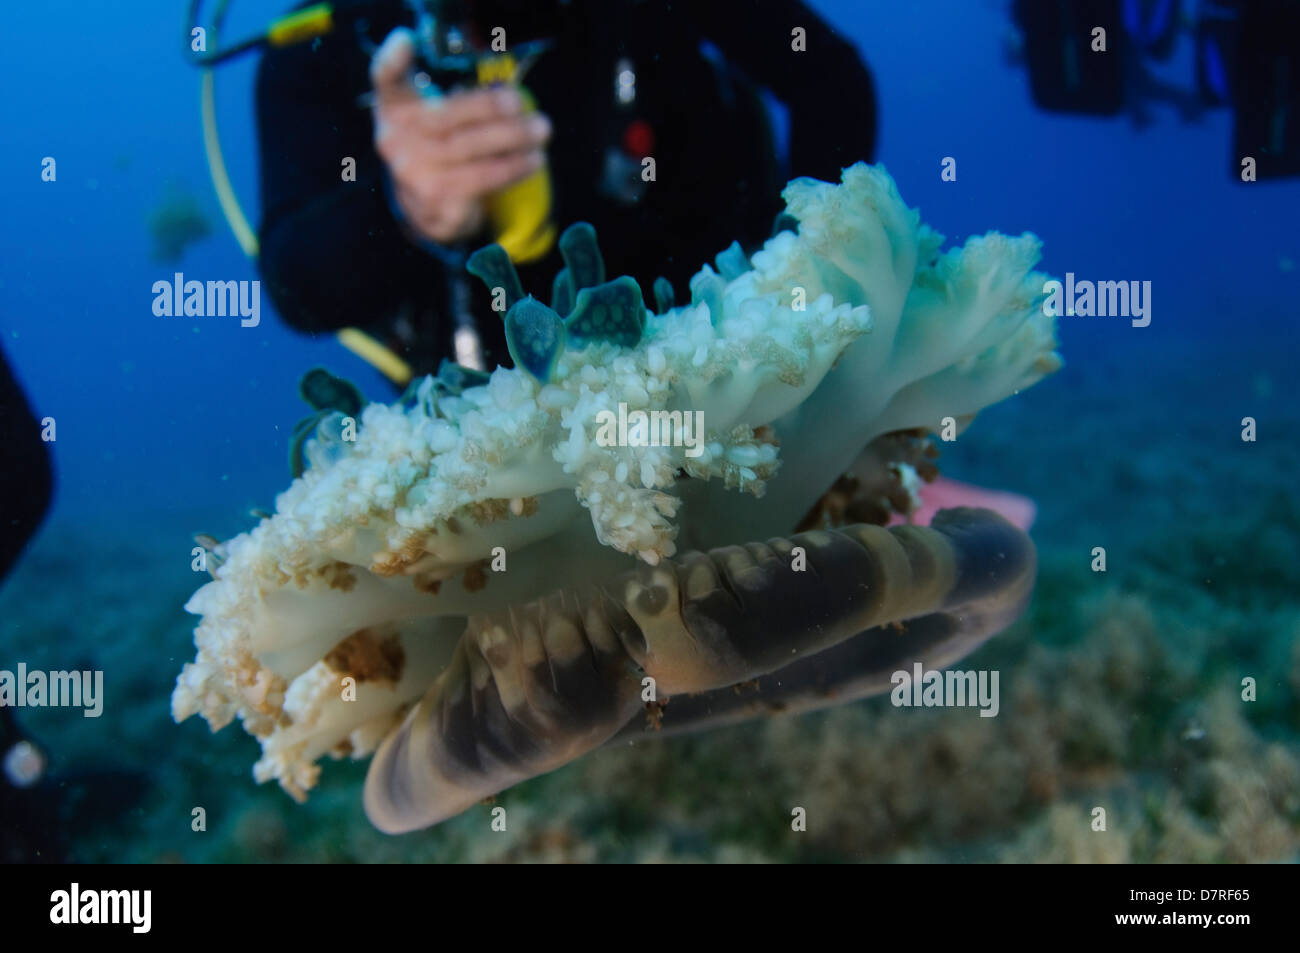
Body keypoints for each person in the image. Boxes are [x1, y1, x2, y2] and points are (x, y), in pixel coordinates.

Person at [254, 0, 878, 383]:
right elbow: (297, 287)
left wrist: (799, 284)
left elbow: (830, 81)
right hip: (489, 407)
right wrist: (406, 212)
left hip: (731, 344)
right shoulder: (316, 51)